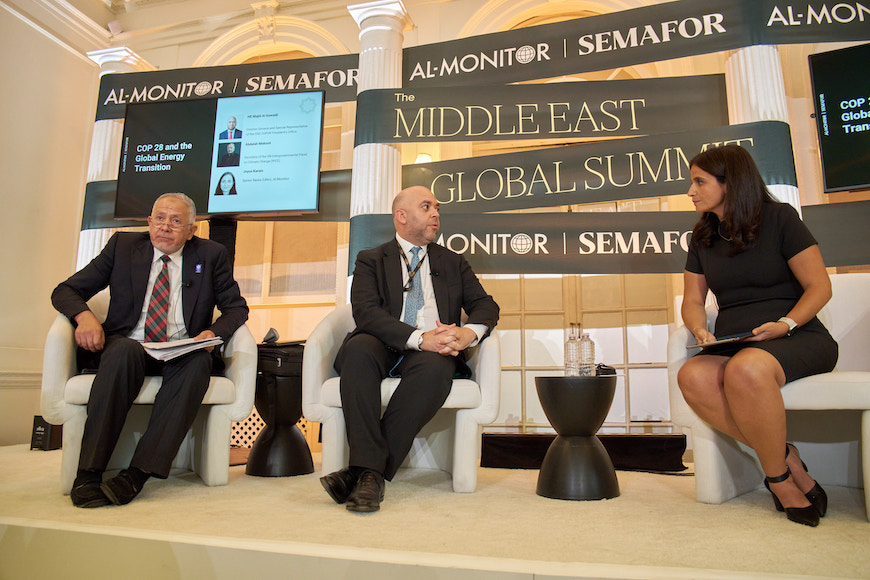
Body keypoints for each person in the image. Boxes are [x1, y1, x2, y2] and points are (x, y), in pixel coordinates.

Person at [51, 193, 248, 508]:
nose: (165, 227)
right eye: (159, 218)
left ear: (191, 230)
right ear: (149, 221)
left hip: (180, 348)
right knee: (123, 351)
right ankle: (88, 473)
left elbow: (236, 308)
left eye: (175, 221)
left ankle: (137, 474)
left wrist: (212, 333)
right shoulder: (123, 247)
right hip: (130, 344)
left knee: (199, 361)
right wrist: (84, 317)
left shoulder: (211, 255)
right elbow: (66, 290)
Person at [677, 145, 838, 527]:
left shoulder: (781, 218)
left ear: (729, 182)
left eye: (700, 181)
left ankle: (779, 481)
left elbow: (820, 286)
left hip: (797, 335)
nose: (691, 191)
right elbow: (693, 300)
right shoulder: (702, 237)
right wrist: (699, 329)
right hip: (739, 342)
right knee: (692, 375)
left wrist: (786, 323)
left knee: (746, 369)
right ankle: (786, 458)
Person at [320, 185, 499, 513]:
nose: (436, 214)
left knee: (437, 368)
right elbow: (366, 313)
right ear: (401, 216)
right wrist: (419, 337)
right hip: (382, 342)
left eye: (437, 208)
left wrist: (467, 333)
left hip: (431, 354)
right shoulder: (371, 259)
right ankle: (370, 473)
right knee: (359, 350)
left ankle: (364, 473)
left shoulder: (452, 262)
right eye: (426, 207)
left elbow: (486, 306)